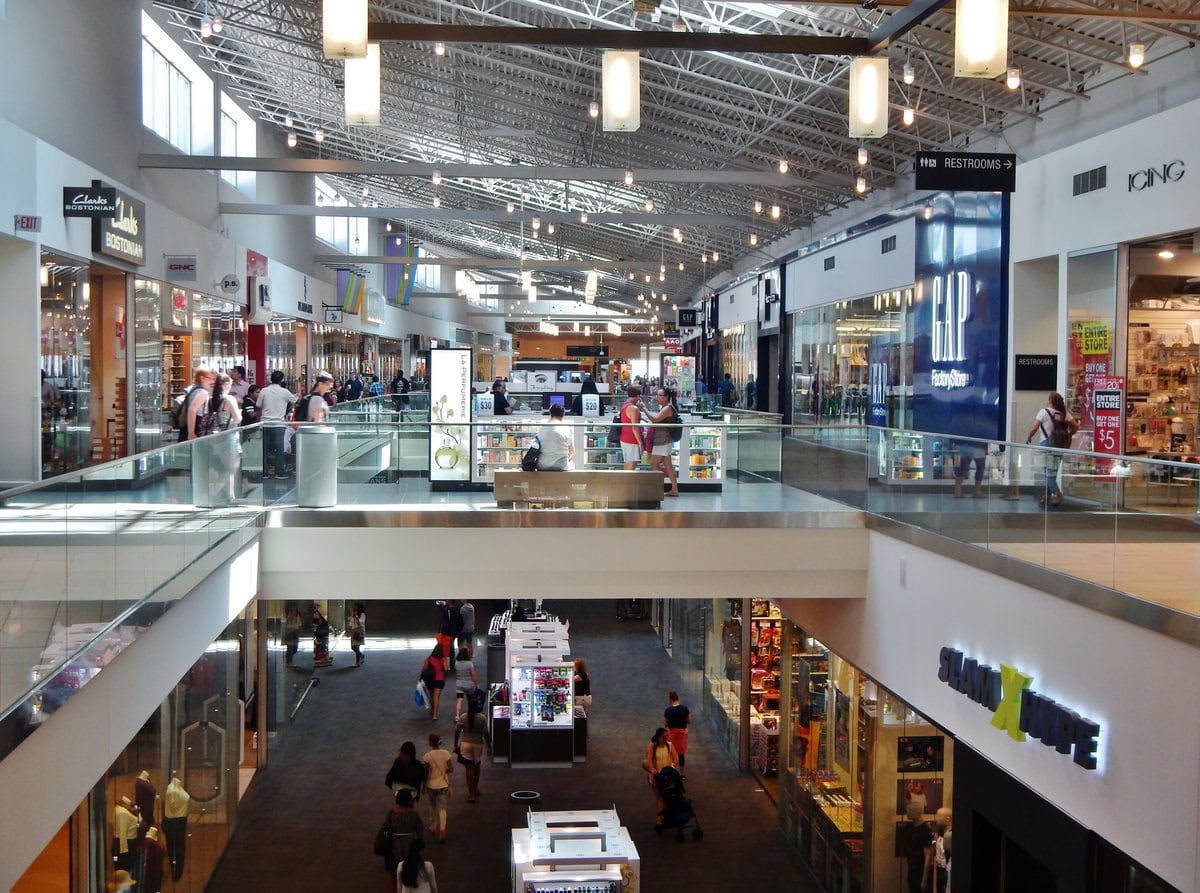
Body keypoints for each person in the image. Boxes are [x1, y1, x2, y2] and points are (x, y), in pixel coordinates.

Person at [1024, 391, 1076, 508]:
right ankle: (1047, 497)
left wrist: (1029, 437)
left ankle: (1058, 495)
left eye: (1048, 399)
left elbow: (1034, 427)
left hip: (1046, 445)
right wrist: (1068, 434)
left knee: (1047, 474)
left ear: (1051, 401)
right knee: (1052, 473)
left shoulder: (1044, 412)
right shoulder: (1063, 413)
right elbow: (1075, 426)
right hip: (1059, 446)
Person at [377, 788, 425, 887]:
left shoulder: (391, 813)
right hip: (409, 846)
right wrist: (420, 846)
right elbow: (420, 831)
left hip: (393, 845)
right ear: (409, 800)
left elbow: (385, 828)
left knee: (392, 872)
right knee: (409, 870)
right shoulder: (414, 814)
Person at [640, 387, 680, 497]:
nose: (657, 397)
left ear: (666, 397)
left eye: (659, 395)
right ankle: (674, 489)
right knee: (668, 465)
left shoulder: (667, 408)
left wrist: (644, 409)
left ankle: (657, 489)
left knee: (654, 464)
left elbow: (655, 419)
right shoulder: (667, 407)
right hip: (665, 440)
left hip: (662, 441)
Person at [256, 370, 296, 478]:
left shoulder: (264, 391)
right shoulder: (285, 392)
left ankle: (264, 472)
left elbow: (258, 405)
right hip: (279, 425)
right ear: (281, 380)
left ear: (270, 379)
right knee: (279, 449)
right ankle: (280, 472)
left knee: (264, 449)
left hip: (265, 424)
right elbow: (295, 400)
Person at [453, 697, 491, 802]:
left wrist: (455, 744)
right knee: (477, 766)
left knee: (469, 769)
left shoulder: (463, 717)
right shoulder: (482, 718)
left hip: (465, 744)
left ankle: (471, 794)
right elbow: (486, 733)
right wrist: (489, 746)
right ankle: (475, 789)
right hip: (478, 745)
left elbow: (457, 731)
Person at [421, 733, 453, 843]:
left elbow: (425, 773)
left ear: (430, 743)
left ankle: (433, 826)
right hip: (443, 785)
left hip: (431, 785)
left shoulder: (427, 756)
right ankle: (442, 830)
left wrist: (423, 786)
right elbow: (451, 769)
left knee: (432, 806)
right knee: (442, 808)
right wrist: (444, 771)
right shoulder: (446, 753)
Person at [643, 727, 679, 826]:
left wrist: (671, 766)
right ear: (659, 737)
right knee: (660, 796)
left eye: (667, 736)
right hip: (657, 776)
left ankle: (662, 817)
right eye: (664, 736)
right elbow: (649, 760)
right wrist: (652, 770)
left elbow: (676, 759)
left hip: (667, 776)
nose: (667, 738)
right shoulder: (652, 746)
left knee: (663, 797)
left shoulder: (670, 745)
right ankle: (660, 818)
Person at [182, 366, 216, 442]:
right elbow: (192, 410)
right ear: (202, 378)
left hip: (187, 427)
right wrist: (191, 432)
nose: (212, 382)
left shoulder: (192, 389)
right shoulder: (202, 393)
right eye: (210, 378)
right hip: (196, 428)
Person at [537, 403, 575, 470]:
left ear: (550, 414)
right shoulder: (567, 428)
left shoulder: (542, 428)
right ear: (563, 415)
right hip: (562, 466)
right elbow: (571, 451)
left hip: (542, 465)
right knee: (572, 464)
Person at [618, 384, 646, 470]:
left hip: (624, 438)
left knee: (628, 462)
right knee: (632, 464)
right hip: (632, 439)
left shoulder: (625, 405)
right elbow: (635, 427)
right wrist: (640, 443)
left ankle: (624, 482)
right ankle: (627, 483)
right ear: (638, 395)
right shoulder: (634, 409)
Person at [663, 690, 691, 767]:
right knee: (681, 755)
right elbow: (689, 721)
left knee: (671, 753)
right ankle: (681, 774)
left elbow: (665, 724)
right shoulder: (685, 709)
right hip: (682, 735)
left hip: (671, 735)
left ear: (670, 699)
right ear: (678, 698)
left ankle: (672, 772)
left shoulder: (668, 710)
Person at [420, 643, 447, 720]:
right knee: (436, 697)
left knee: (431, 696)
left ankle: (432, 709)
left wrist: (420, 678)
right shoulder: (443, 659)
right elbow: (445, 669)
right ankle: (435, 715)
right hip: (439, 679)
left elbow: (424, 669)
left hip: (430, 680)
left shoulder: (429, 658)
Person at [453, 647, 480, 720]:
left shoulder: (457, 663)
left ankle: (457, 716)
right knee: (470, 701)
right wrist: (477, 683)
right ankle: (471, 715)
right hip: (469, 685)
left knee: (459, 700)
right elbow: (473, 675)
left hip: (459, 684)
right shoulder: (469, 664)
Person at [933, 807, 953, 893]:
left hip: (948, 874)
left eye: (939, 816)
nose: (936, 818)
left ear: (948, 818)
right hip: (940, 872)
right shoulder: (939, 833)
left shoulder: (951, 835)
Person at [434, 602, 456, 672]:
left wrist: (440, 634)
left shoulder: (444, 615)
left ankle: (444, 668)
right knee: (451, 651)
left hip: (446, 636)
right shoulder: (449, 613)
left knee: (443, 652)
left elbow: (443, 626)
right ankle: (452, 667)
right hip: (451, 635)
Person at [347, 601, 366, 667]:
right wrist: (348, 632)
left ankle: (357, 662)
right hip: (353, 631)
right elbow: (351, 624)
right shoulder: (354, 615)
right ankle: (361, 655)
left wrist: (356, 616)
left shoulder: (362, 614)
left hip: (359, 632)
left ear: (358, 607)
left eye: (355, 606)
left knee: (356, 646)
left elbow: (360, 624)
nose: (353, 607)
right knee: (353, 647)